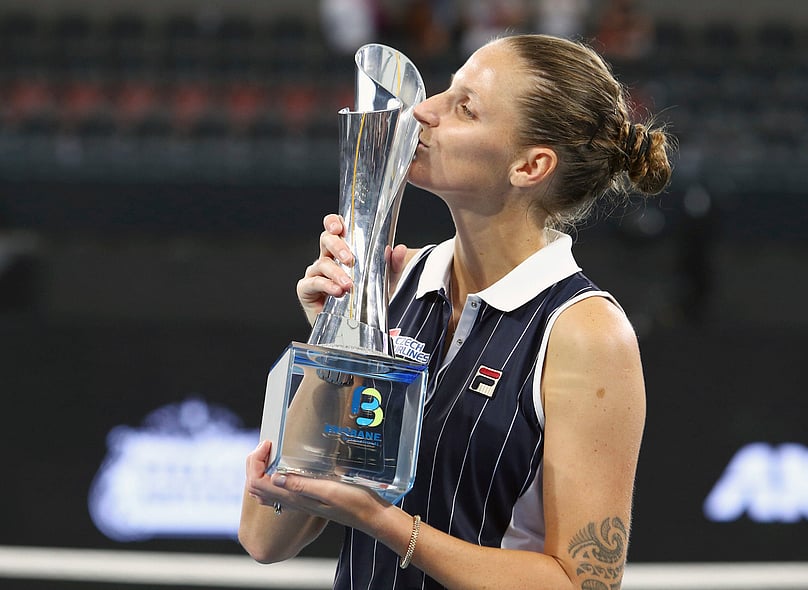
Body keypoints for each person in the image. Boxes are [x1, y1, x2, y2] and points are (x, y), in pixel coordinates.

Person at [239, 33, 673, 589]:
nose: (424, 110)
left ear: (530, 165)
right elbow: (264, 537)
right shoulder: (396, 283)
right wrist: (342, 337)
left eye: (464, 107)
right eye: (445, 90)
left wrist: (386, 523)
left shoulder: (585, 332)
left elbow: (582, 583)